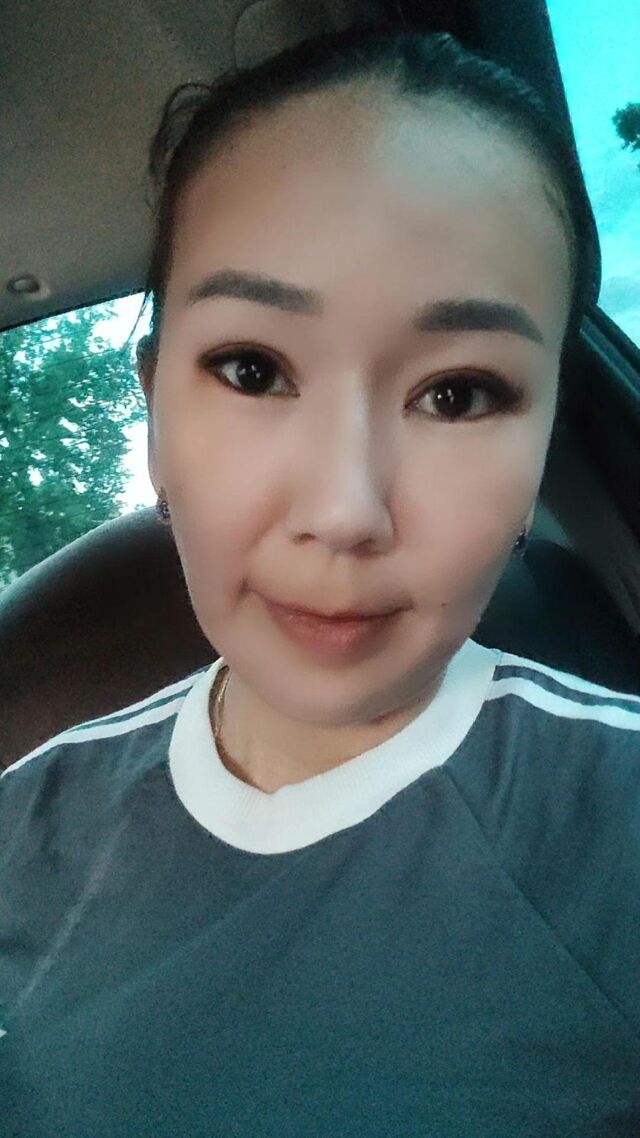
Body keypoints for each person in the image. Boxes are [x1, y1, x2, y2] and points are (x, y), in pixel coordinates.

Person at [1, 22, 639, 1138]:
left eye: (458, 394)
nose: (345, 512)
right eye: (253, 370)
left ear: (546, 438)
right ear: (154, 415)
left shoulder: (614, 826)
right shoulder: (24, 828)